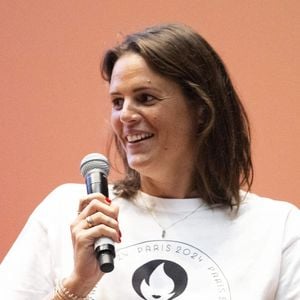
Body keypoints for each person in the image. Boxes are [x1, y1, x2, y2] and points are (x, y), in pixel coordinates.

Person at [0, 23, 299, 300]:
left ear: (202, 110)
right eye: (117, 102)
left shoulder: (277, 228)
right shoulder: (67, 211)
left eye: (145, 98)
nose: (125, 116)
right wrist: (77, 285)